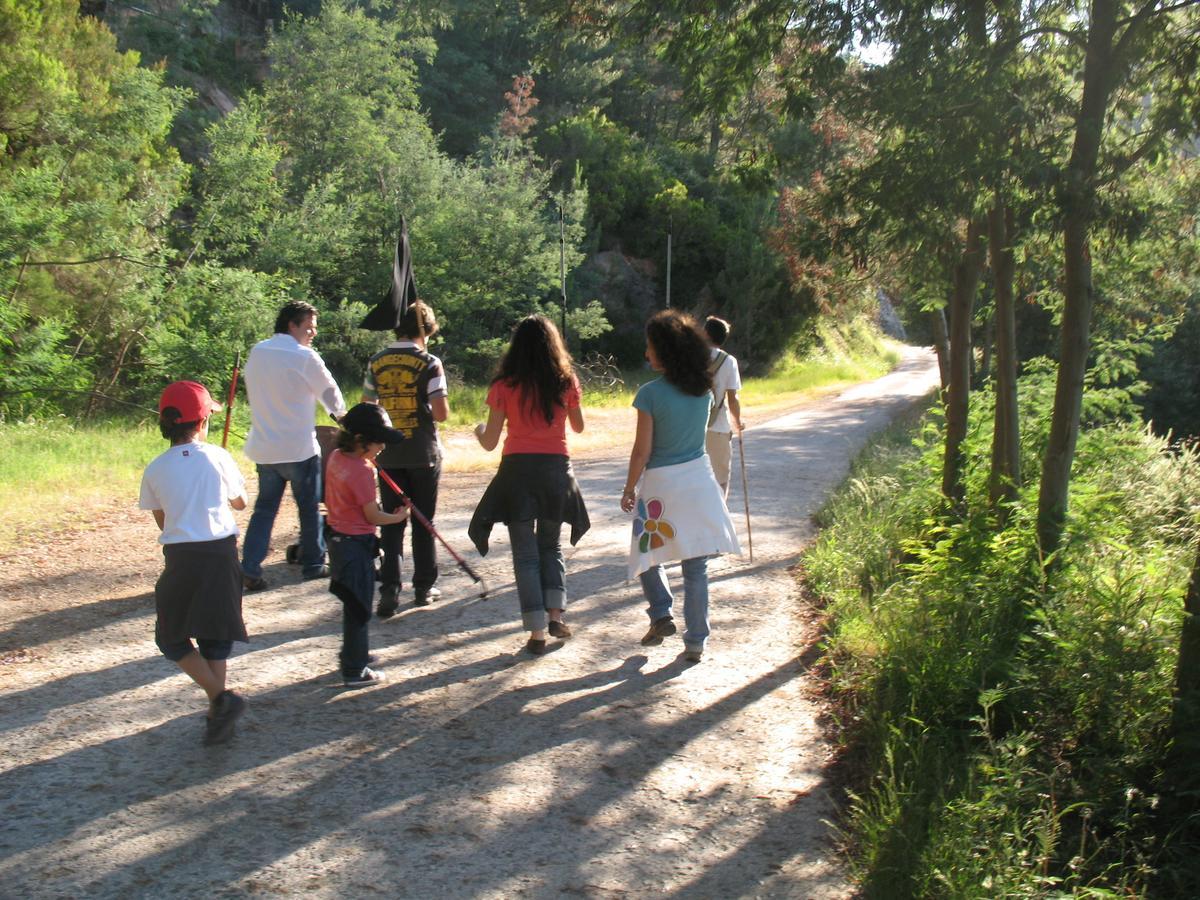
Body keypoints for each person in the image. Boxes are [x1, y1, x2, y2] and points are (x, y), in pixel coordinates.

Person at [621, 310, 740, 663]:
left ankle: (661, 612)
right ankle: (696, 642)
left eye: (650, 347)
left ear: (666, 350)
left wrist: (629, 488)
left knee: (646, 554)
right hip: (699, 481)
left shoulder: (649, 394)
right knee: (695, 567)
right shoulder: (703, 392)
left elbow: (642, 450)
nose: (646, 353)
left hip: (661, 484)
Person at [468, 315, 590, 655]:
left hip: (517, 473)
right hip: (555, 471)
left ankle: (536, 633)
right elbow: (578, 428)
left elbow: (490, 442)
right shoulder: (566, 381)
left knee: (525, 555)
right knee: (550, 547)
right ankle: (556, 614)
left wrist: (478, 429)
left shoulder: (504, 385)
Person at [139, 381, 250, 745]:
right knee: (215, 636)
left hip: (182, 557)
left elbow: (162, 519)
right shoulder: (218, 457)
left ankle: (217, 709)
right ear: (202, 422)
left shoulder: (155, 468)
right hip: (221, 552)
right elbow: (240, 504)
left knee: (171, 636)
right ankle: (221, 700)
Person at [241, 300, 347, 591]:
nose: (313, 333)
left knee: (264, 510)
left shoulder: (258, 352)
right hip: (299, 447)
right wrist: (344, 421)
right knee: (309, 508)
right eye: (309, 327)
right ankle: (313, 564)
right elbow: (330, 394)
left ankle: (249, 566)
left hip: (265, 446)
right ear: (292, 325)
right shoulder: (304, 356)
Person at [361, 301, 450, 616]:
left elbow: (367, 408)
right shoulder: (430, 363)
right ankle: (424, 587)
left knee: (392, 523)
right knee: (424, 523)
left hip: (388, 456)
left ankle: (389, 591)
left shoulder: (376, 362)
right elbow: (441, 413)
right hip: (423, 453)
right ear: (426, 329)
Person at [324, 403, 410, 686]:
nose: (383, 447)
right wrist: (398, 517)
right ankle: (354, 670)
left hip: (338, 539)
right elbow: (372, 514)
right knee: (359, 608)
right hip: (356, 544)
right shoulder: (362, 470)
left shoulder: (336, 457)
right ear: (360, 441)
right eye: (378, 441)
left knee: (354, 604)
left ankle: (354, 653)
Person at [703, 316, 744, 499]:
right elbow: (732, 399)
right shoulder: (729, 361)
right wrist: (737, 422)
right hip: (718, 427)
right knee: (720, 478)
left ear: (705, 334)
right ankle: (718, 520)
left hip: (690, 427)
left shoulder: (690, 356)